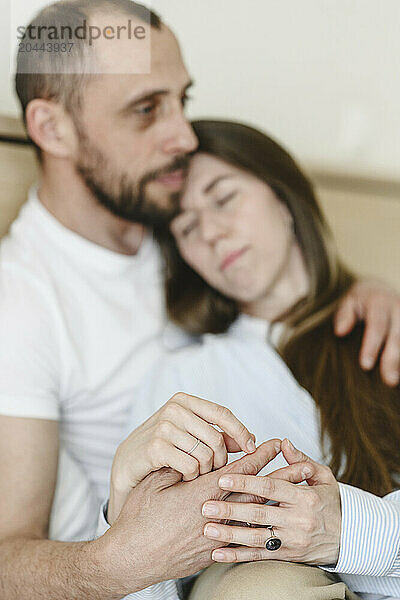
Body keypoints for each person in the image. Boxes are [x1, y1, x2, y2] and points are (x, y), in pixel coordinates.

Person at [0, 0, 399, 597]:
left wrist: (359, 287)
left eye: (181, 100)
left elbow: (282, 275)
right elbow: (8, 554)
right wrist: (122, 550)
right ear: (52, 128)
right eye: (145, 109)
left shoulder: (161, 208)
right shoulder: (22, 301)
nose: (182, 136)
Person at [104, 120, 399, 600]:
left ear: (283, 198)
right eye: (187, 227)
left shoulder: (384, 330)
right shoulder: (182, 377)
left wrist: (345, 531)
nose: (213, 234)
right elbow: (143, 590)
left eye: (224, 199)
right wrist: (123, 508)